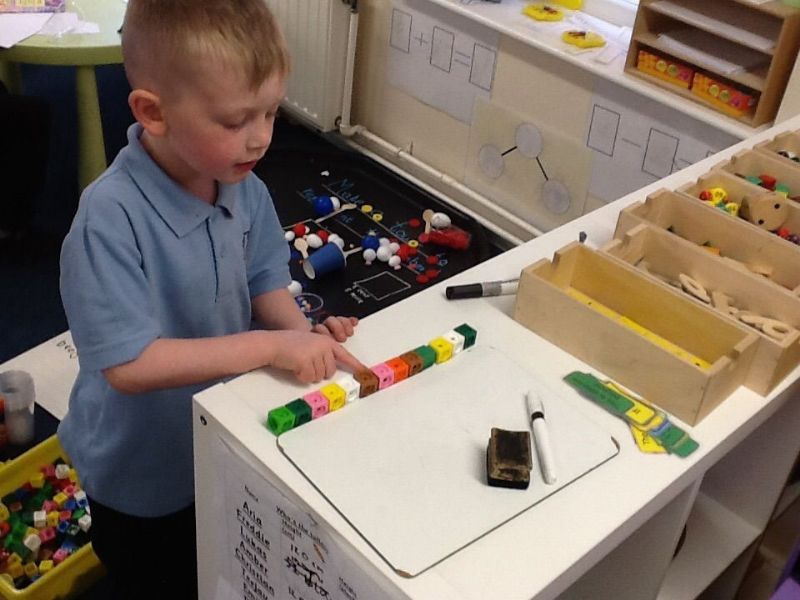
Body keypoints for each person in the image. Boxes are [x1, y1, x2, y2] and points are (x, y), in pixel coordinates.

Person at [57, 1, 365, 597]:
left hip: (220, 439)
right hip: (142, 474)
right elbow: (128, 363)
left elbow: (265, 284)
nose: (260, 138)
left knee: (221, 563)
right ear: (153, 113)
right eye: (233, 121)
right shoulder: (108, 220)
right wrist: (268, 345)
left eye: (271, 113)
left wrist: (301, 333)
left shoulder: (242, 186)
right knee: (156, 577)